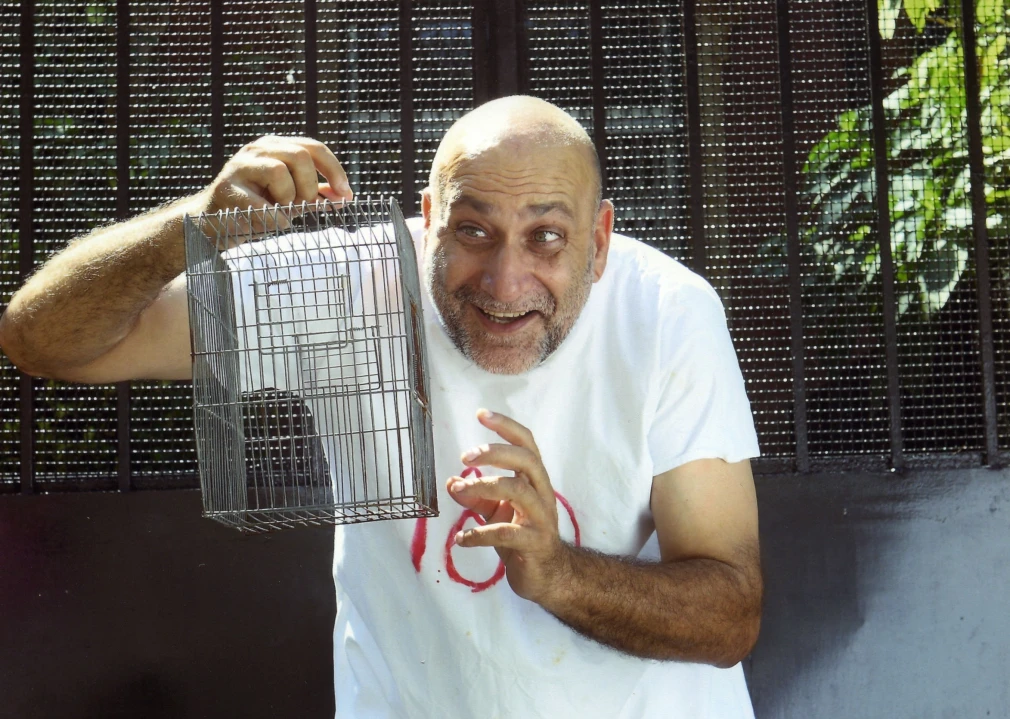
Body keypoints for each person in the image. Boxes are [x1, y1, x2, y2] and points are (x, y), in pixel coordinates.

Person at [0, 96, 763, 718]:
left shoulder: (667, 313)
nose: (505, 281)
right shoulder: (353, 282)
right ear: (428, 220)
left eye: (547, 237)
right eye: (473, 231)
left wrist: (559, 572)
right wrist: (191, 225)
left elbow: (730, 613)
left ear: (599, 241)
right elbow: (43, 340)